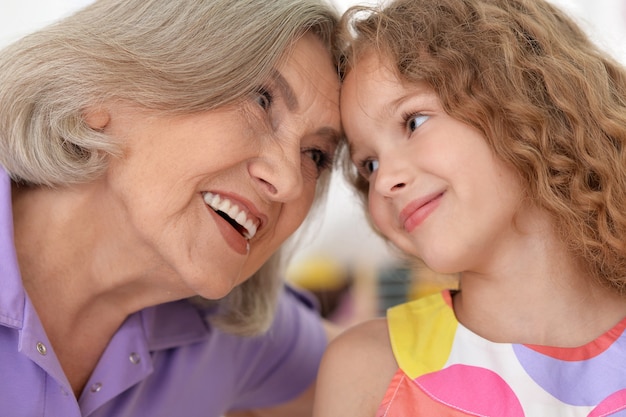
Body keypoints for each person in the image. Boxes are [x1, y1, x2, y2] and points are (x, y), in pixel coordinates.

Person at [0, 0, 343, 416]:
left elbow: (412, 384)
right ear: (103, 88)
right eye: (260, 98)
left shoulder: (227, 332)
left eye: (316, 155)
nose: (289, 182)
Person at [313, 0, 626, 415]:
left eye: (413, 122)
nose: (385, 180)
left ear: (524, 99)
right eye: (367, 165)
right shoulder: (367, 370)